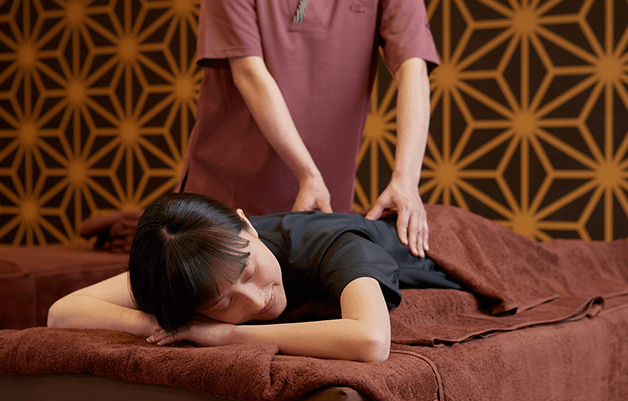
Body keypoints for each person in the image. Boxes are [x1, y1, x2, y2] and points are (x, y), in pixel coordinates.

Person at [48, 193, 460, 362]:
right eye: (223, 303)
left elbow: (370, 340)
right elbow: (63, 312)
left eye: (248, 271)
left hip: (438, 244)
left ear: (247, 226)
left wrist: (224, 333)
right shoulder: (188, 265)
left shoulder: (330, 245)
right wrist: (168, 327)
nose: (257, 299)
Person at [177, 0, 440, 258]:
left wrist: (406, 180)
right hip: (228, 202)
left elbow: (412, 66)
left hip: (322, 208)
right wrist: (307, 173)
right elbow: (248, 73)